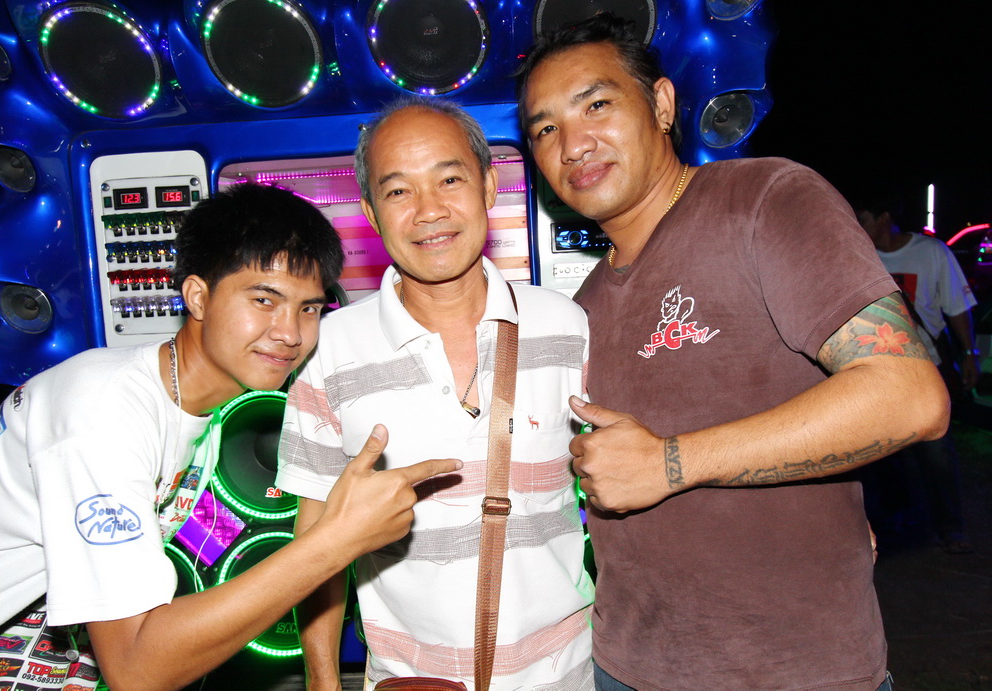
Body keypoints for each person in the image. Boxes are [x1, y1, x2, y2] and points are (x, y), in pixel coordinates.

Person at [517, 13, 949, 691]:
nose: (573, 143)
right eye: (545, 129)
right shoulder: (584, 305)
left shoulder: (763, 201)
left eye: (596, 105)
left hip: (794, 673)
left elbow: (910, 397)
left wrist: (670, 463)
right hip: (626, 665)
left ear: (662, 104)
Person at [0, 182, 460, 691]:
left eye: (309, 308)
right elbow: (136, 670)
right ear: (197, 296)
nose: (290, 333)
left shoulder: (201, 410)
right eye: (264, 300)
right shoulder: (102, 412)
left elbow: (177, 555)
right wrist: (337, 539)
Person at [276, 98, 594, 690]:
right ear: (371, 213)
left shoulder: (566, 326)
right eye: (399, 191)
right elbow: (314, 541)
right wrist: (323, 680)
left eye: (449, 180)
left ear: (489, 187)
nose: (429, 211)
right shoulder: (328, 350)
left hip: (566, 674)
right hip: (407, 679)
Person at [854, 189, 978, 553]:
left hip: (925, 369)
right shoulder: (858, 255)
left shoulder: (931, 252)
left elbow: (957, 306)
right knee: (881, 453)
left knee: (936, 452)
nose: (857, 226)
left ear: (884, 218)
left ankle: (950, 528)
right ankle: (895, 525)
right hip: (876, 371)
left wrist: (969, 353)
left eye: (863, 219)